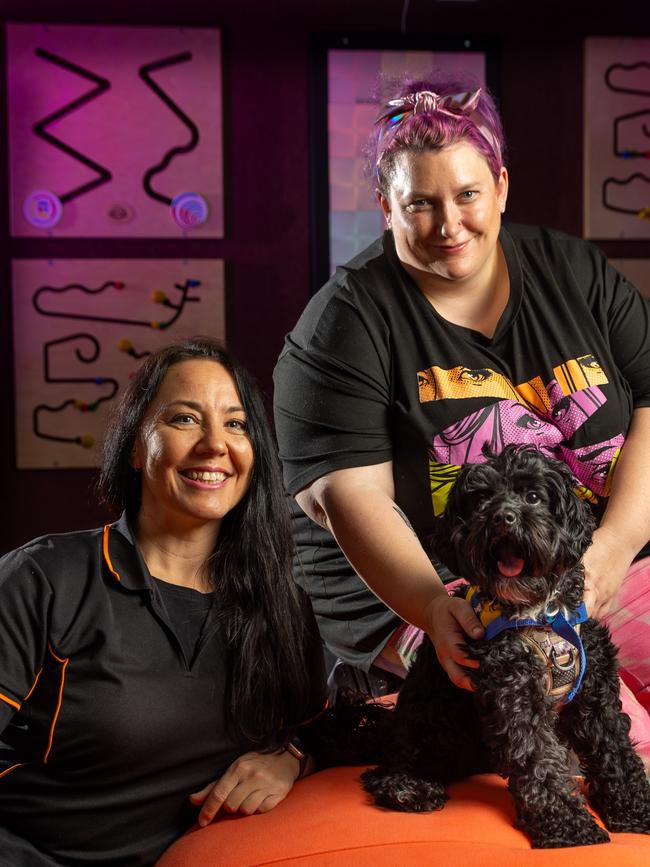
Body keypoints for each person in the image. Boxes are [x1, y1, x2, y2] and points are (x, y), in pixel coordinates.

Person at [273, 74, 650, 748]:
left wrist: (616, 545)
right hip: (435, 583)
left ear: (501, 186)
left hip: (588, 559)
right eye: (420, 203)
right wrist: (429, 606)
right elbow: (348, 497)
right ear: (384, 207)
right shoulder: (344, 323)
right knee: (605, 727)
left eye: (468, 194)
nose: (449, 225)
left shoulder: (575, 274)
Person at [0, 337, 327, 866]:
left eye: (237, 424)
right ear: (135, 447)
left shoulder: (280, 605)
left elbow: (325, 729)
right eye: (184, 420)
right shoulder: (43, 578)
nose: (215, 444)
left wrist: (291, 759)